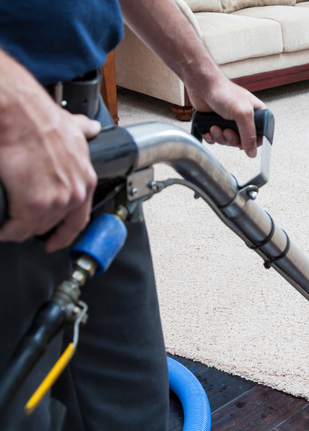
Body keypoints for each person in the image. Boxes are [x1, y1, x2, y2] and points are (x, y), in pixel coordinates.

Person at [0, 0, 265, 429]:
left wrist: (203, 78)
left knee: (134, 394)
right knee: (21, 407)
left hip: (84, 114)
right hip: (13, 139)